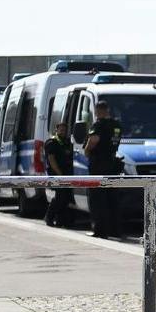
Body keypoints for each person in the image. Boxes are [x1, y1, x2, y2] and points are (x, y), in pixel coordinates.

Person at [85, 100, 125, 239]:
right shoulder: (117, 125)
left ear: (99, 111)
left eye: (96, 111)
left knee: (97, 199)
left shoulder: (99, 125)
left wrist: (86, 150)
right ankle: (115, 231)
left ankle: (100, 231)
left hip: (98, 165)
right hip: (113, 164)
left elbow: (93, 140)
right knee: (112, 198)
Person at [44, 120, 76, 228]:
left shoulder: (67, 142)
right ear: (56, 130)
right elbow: (51, 160)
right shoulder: (51, 142)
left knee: (65, 198)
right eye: (61, 129)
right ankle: (49, 217)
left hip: (66, 173)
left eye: (65, 129)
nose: (63, 131)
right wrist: (59, 173)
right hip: (57, 173)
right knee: (60, 197)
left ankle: (60, 220)